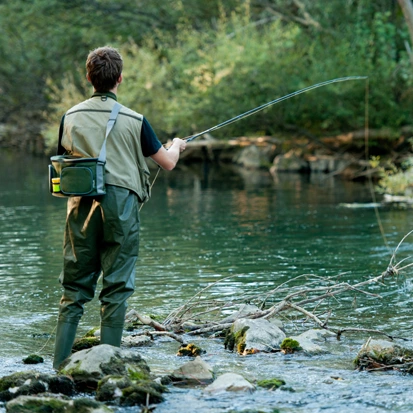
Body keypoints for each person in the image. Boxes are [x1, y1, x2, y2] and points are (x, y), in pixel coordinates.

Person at [53, 46, 186, 370]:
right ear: (120, 79)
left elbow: (64, 162)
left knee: (74, 290)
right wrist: (178, 145)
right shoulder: (135, 120)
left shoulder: (69, 116)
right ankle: (109, 371)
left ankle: (58, 369)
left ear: (89, 78)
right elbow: (167, 163)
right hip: (121, 206)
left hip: (80, 206)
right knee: (116, 287)